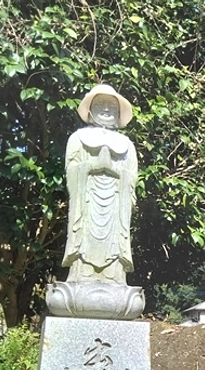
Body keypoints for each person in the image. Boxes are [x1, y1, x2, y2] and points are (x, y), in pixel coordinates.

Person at [63, 84, 137, 284]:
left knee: (115, 246)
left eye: (111, 106)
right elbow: (71, 171)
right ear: (90, 109)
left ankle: (115, 277)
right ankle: (80, 274)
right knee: (83, 241)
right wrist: (92, 166)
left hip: (115, 207)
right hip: (86, 204)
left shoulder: (127, 145)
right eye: (100, 104)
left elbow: (132, 178)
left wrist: (113, 170)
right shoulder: (78, 138)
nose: (106, 109)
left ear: (119, 112)